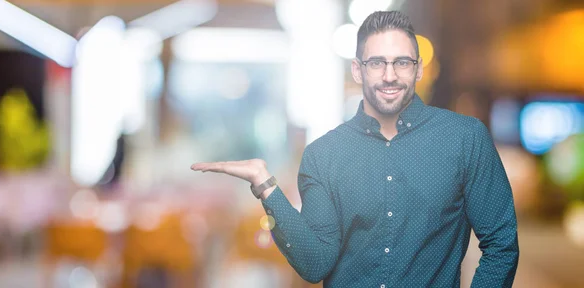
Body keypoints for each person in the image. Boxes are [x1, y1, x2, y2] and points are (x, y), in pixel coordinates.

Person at [191, 10, 519, 288]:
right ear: (357, 70)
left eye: (402, 63)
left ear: (418, 68)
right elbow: (316, 264)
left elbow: (501, 245)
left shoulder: (465, 139)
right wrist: (265, 185)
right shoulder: (323, 154)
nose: (389, 76)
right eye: (376, 63)